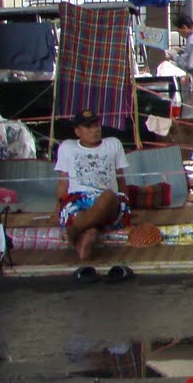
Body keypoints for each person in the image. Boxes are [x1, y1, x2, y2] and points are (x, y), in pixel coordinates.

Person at [53, 109, 130, 276]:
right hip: (77, 200)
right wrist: (57, 209)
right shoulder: (67, 147)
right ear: (77, 132)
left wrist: (127, 204)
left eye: (96, 125)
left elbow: (121, 178)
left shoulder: (114, 144)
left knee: (108, 196)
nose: (95, 130)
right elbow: (63, 182)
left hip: (107, 201)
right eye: (88, 127)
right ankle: (88, 235)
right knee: (89, 227)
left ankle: (74, 232)